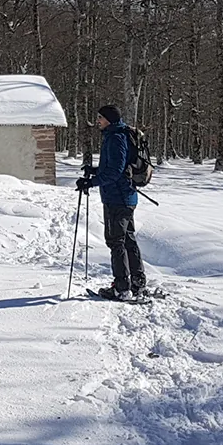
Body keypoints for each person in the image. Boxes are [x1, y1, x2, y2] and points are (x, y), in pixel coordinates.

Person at [75, 104, 146, 300]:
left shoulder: (115, 137)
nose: (98, 120)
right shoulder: (117, 135)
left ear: (109, 119)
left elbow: (115, 172)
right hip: (125, 196)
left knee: (116, 242)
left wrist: (91, 182)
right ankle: (137, 284)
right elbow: (116, 167)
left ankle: (122, 288)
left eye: (100, 117)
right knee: (128, 241)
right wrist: (95, 171)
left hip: (118, 198)